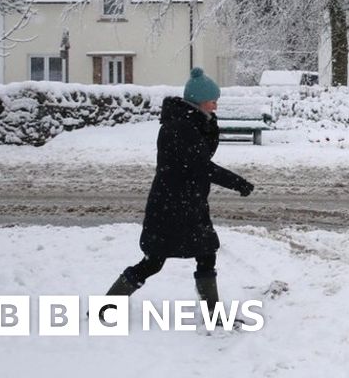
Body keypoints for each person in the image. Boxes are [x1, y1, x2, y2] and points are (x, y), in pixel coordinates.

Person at [99, 67, 255, 318]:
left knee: (204, 254)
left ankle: (213, 313)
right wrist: (237, 183)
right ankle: (104, 307)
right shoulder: (180, 128)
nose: (215, 106)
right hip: (173, 207)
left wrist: (209, 124)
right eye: (212, 101)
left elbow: (202, 157)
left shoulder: (191, 122)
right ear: (199, 100)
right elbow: (202, 166)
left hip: (185, 203)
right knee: (153, 263)